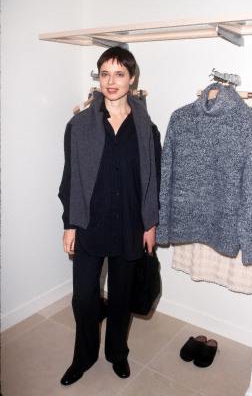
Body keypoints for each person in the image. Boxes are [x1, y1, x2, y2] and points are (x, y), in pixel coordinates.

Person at [58, 46, 161, 385]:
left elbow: (152, 182)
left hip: (130, 224)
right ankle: (83, 356)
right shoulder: (79, 125)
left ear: (132, 79)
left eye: (119, 74)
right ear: (98, 78)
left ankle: (117, 353)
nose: (111, 81)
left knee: (120, 297)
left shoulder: (147, 129)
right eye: (105, 74)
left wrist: (150, 224)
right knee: (84, 297)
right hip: (90, 223)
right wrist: (69, 223)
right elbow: (70, 177)